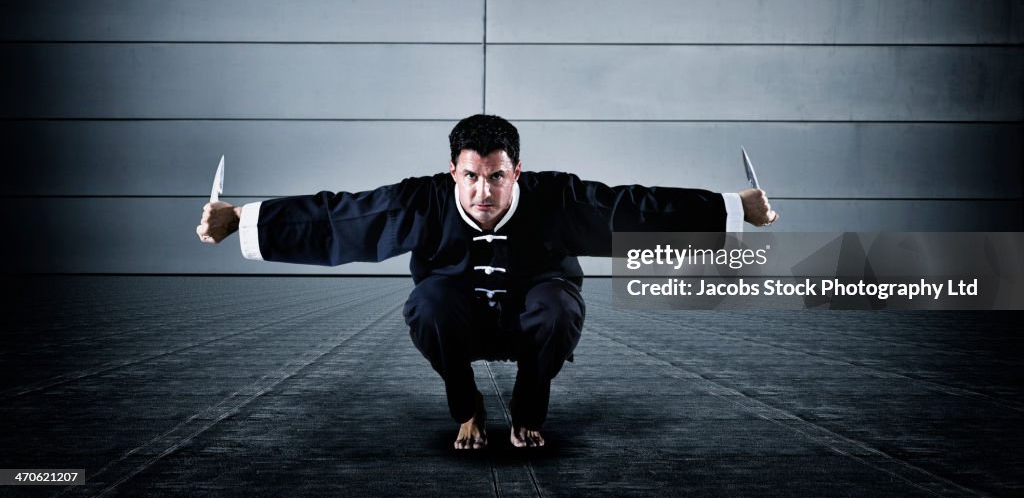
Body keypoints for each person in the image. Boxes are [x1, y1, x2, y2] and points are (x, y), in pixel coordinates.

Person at [196, 114, 778, 450]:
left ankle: (528, 411)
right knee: (426, 301)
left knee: (558, 303)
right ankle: (468, 409)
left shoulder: (557, 198)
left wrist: (731, 209)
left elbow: (635, 208)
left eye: (496, 176)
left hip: (536, 320)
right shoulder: (422, 201)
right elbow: (340, 218)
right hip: (459, 322)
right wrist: (244, 220)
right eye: (471, 177)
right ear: (454, 171)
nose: (482, 191)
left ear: (515, 171)